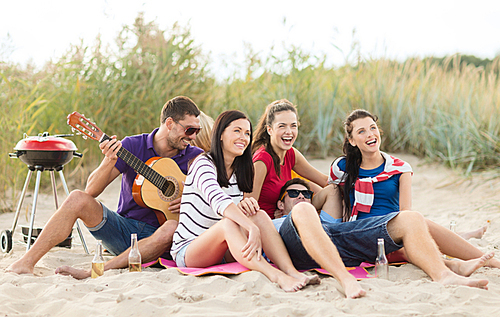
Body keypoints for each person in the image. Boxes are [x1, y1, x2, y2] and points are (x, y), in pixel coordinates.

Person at [7, 96, 204, 277]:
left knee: (171, 227)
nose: (193, 137)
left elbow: (212, 196)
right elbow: (91, 191)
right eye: (189, 130)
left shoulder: (194, 156)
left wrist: (189, 199)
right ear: (169, 124)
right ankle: (26, 261)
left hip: (164, 239)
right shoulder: (133, 145)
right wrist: (109, 160)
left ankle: (95, 270)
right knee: (77, 198)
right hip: (124, 230)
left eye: (197, 131)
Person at [328, 109, 500, 269]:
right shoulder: (342, 168)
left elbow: (406, 212)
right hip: (360, 233)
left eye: (373, 128)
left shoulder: (400, 168)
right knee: (413, 241)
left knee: (416, 226)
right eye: (361, 131)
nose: (370, 134)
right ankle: (458, 258)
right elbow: (329, 194)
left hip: (392, 232)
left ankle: (489, 260)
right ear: (351, 141)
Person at [170, 110, 319, 292]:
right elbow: (218, 200)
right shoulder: (203, 164)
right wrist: (249, 227)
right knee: (229, 224)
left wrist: (245, 209)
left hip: (224, 248)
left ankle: (292, 272)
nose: (243, 137)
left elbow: (236, 209)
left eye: (247, 133)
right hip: (190, 250)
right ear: (221, 135)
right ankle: (277, 276)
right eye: (237, 131)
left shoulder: (238, 171)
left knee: (259, 215)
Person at [273, 177, 491, 297]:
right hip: (296, 244)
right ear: (280, 205)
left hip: (333, 237)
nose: (301, 196)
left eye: (306, 194)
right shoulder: (272, 221)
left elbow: (332, 190)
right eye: (293, 194)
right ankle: (345, 280)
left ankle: (444, 274)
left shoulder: (323, 216)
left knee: (410, 218)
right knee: (302, 211)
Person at [246, 99, 339, 219]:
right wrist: (274, 218)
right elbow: (248, 207)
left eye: (293, 126)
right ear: (270, 130)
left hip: (290, 216)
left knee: (333, 190)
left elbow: (324, 180)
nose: (289, 132)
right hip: (271, 224)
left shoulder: (290, 154)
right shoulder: (262, 160)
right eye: (282, 126)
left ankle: (334, 228)